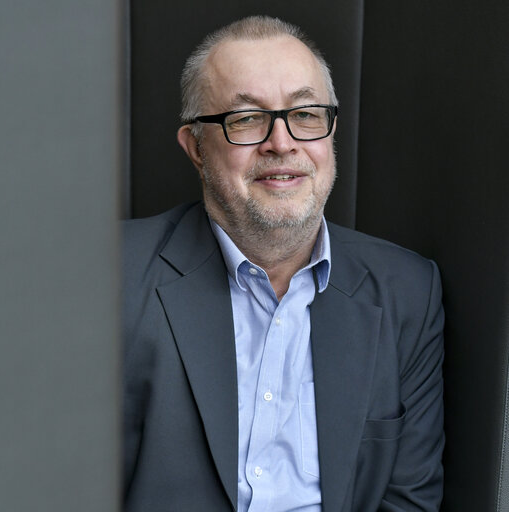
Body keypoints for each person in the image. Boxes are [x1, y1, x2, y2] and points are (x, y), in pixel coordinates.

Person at [122, 15, 444, 512]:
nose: (282, 142)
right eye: (247, 119)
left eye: (306, 114)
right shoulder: (104, 277)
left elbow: (408, 501)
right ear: (196, 150)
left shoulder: (408, 292)